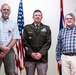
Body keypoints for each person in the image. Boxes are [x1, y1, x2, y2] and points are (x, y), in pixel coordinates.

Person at [22, 9, 51, 75]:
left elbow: (48, 42)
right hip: (30, 58)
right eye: (36, 15)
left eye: (39, 15)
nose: (37, 16)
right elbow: (24, 42)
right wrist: (31, 53)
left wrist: (40, 53)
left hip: (42, 58)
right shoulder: (27, 28)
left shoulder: (47, 28)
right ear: (33, 17)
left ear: (42, 17)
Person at [0, 3, 20, 75]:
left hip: (9, 51)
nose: (6, 11)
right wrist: (1, 47)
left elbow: (15, 38)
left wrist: (5, 50)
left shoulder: (13, 23)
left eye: (8, 10)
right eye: (4, 9)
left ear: (10, 12)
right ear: (0, 10)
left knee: (10, 72)